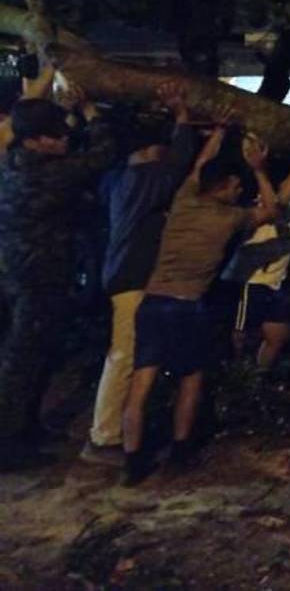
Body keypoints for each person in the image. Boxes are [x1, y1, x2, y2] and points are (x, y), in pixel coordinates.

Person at [121, 123, 279, 485]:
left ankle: (132, 463)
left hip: (152, 302)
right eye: (237, 187)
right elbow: (271, 210)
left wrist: (219, 132)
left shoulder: (184, 200)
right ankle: (179, 452)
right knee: (191, 379)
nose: (241, 193)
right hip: (187, 307)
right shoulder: (230, 217)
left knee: (140, 382)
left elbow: (200, 166)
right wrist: (257, 168)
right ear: (223, 187)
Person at [80, 82, 198, 467]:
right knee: (124, 355)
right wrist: (182, 117)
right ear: (150, 150)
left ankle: (115, 431)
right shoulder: (147, 180)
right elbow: (180, 163)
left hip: (119, 275)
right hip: (131, 278)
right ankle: (104, 437)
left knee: (128, 353)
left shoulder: (118, 178)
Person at [0, 84, 117, 470]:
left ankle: (27, 428)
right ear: (35, 141)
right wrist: (90, 112)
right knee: (23, 362)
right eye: (57, 134)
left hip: (23, 274)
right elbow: (103, 154)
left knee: (36, 356)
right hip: (40, 277)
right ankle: (9, 445)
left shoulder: (13, 163)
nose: (65, 138)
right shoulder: (49, 175)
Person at [227, 153, 290, 371]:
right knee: (240, 334)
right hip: (250, 279)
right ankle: (234, 379)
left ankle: (259, 376)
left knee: (278, 334)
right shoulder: (265, 203)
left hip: (274, 281)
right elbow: (280, 201)